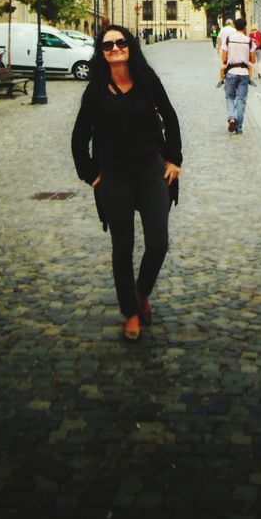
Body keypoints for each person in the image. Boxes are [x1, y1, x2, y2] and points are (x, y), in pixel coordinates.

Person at [71, 24, 182, 342]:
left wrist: (174, 160)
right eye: (108, 46)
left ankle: (141, 292)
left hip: (150, 170)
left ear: (130, 46)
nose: (115, 48)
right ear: (102, 54)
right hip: (114, 175)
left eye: (121, 43)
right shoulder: (95, 91)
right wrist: (91, 174)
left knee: (158, 243)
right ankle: (131, 312)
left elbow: (171, 118)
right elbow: (80, 139)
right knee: (123, 248)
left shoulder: (147, 81)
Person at [222, 17, 255, 134]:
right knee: (241, 100)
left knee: (229, 97)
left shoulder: (228, 39)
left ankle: (232, 117)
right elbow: (253, 60)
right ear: (245, 27)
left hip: (231, 71)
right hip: (244, 73)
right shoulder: (249, 40)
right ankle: (239, 127)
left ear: (234, 27)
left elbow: (224, 58)